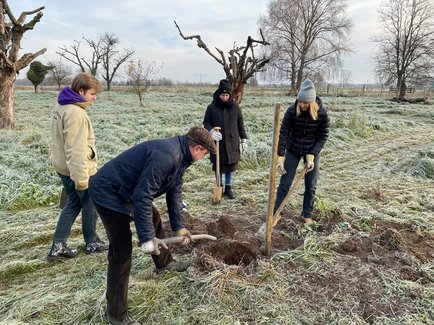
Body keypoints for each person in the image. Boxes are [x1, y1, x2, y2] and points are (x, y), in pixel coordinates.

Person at [89, 126, 216, 325]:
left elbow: (175, 191)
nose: (204, 157)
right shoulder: (167, 156)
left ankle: (164, 263)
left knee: (153, 217)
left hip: (127, 190)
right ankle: (116, 314)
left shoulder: (181, 155)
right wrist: (147, 239)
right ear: (197, 148)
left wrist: (179, 226)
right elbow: (143, 196)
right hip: (108, 193)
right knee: (121, 253)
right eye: (206, 153)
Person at [47, 73, 108, 260]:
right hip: (77, 169)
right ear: (81, 91)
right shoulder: (76, 114)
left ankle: (58, 245)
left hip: (63, 166)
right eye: (92, 93)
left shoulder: (63, 105)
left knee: (73, 203)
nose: (94, 97)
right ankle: (91, 242)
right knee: (89, 204)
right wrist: (82, 180)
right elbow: (76, 149)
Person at [274, 79, 330, 224]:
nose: (302, 105)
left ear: (311, 102)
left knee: (311, 184)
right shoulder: (292, 111)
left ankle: (307, 214)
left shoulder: (322, 113)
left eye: (305, 103)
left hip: (311, 151)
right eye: (300, 102)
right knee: (285, 182)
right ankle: (277, 212)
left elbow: (323, 136)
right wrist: (280, 157)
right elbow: (284, 133)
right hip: (293, 149)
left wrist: (311, 156)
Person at [203, 79, 248, 199]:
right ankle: (219, 186)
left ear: (230, 95)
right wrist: (211, 131)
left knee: (229, 166)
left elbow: (240, 123)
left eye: (227, 95)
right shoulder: (211, 107)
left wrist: (244, 139)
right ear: (218, 94)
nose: (224, 97)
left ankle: (228, 188)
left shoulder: (235, 107)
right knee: (219, 166)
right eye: (222, 95)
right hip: (218, 142)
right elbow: (206, 123)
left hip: (232, 141)